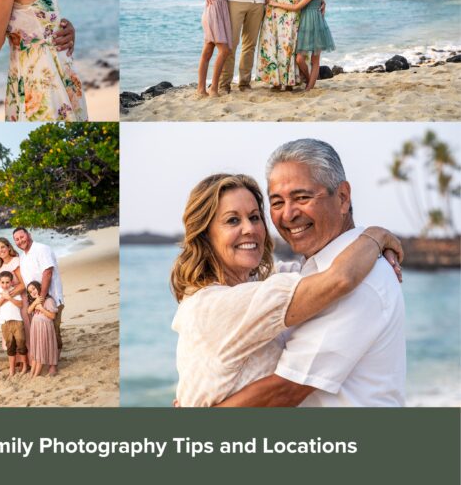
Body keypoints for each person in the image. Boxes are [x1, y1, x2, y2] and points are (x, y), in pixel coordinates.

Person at [171, 168, 404, 407]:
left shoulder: (259, 284)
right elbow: (339, 278)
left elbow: (312, 271)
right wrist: (376, 236)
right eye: (233, 220)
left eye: (254, 217)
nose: (250, 229)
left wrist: (367, 246)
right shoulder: (214, 306)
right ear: (205, 236)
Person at [198, 0, 266, 98]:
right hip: (215, 14)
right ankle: (214, 88)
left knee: (208, 51)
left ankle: (201, 89)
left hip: (211, 12)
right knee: (224, 50)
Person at [270, 0, 335, 91]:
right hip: (304, 25)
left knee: (315, 60)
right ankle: (309, 80)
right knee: (299, 59)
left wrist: (275, 3)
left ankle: (309, 88)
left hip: (316, 25)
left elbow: (296, 7)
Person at [13, 227, 64, 351]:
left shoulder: (42, 249)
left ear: (29, 235)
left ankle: (55, 360)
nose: (20, 241)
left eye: (22, 237)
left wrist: (41, 299)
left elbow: (47, 273)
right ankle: (48, 357)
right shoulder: (22, 257)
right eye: (17, 239)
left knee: (53, 331)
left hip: (50, 298)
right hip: (36, 301)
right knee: (43, 332)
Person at [0, 270, 28, 376]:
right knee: (10, 346)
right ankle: (12, 369)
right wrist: (3, 298)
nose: (5, 285)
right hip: (5, 322)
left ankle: (24, 366)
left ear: (11, 282)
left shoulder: (14, 290)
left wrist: (10, 298)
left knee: (21, 344)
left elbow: (20, 304)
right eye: (2, 282)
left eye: (7, 282)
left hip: (17, 321)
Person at [26, 280, 59, 377]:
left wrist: (41, 309)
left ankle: (36, 374)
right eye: (30, 291)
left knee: (40, 351)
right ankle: (32, 373)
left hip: (44, 328)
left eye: (34, 289)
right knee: (35, 351)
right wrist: (35, 302)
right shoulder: (35, 302)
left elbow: (52, 316)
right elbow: (28, 311)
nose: (33, 292)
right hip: (36, 329)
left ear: (39, 287)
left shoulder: (49, 300)